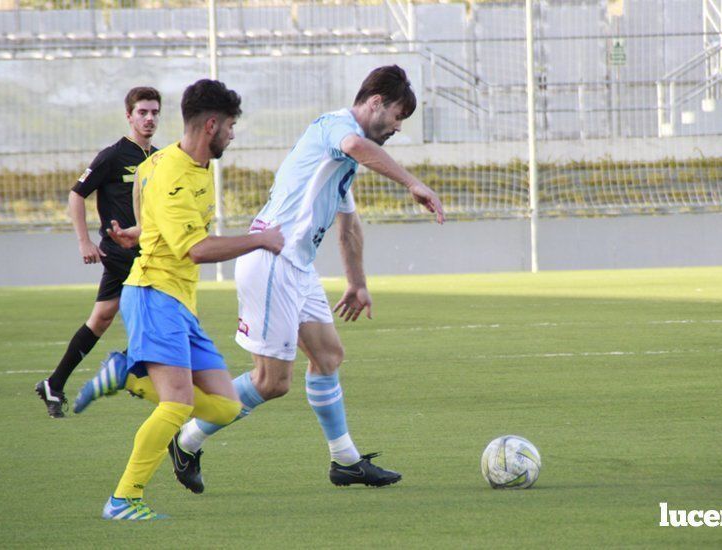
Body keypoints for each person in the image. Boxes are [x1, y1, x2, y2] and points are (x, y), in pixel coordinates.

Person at [168, 65, 445, 492]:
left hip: (296, 267)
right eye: (397, 116)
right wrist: (413, 182)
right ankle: (186, 440)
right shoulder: (337, 130)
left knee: (328, 357)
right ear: (376, 103)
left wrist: (357, 282)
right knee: (271, 382)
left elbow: (348, 224)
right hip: (270, 258)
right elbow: (354, 144)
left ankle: (346, 462)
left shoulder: (341, 161)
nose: (398, 128)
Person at [72, 79, 285, 520]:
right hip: (154, 294)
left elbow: (150, 220)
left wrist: (135, 233)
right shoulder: (169, 172)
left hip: (178, 301)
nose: (232, 134)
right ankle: (123, 499)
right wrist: (260, 240)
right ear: (211, 125)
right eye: (229, 127)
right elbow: (197, 249)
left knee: (226, 404)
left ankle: (126, 377)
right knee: (176, 405)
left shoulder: (175, 163)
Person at [35, 87, 162, 418]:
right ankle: (133, 371)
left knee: (103, 317)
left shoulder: (161, 159)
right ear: (129, 116)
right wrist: (84, 241)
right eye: (143, 112)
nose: (149, 118)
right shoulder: (113, 156)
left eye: (154, 112)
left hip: (150, 252)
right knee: (156, 313)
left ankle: (54, 383)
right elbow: (77, 194)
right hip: (123, 253)